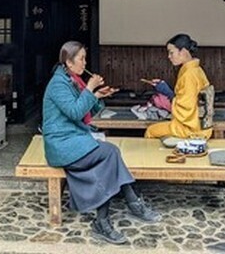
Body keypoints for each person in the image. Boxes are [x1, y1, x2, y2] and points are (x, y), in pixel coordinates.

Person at [42, 40, 161, 245]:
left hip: (74, 139)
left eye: (84, 58)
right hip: (61, 144)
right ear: (69, 63)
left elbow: (86, 108)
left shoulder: (71, 80)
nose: (84, 63)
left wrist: (97, 95)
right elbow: (75, 112)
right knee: (110, 153)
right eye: (81, 59)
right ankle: (129, 205)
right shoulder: (58, 84)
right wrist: (90, 88)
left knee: (107, 159)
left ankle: (105, 220)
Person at [143, 33, 213, 140]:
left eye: (171, 52)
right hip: (200, 124)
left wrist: (168, 93)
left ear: (183, 51)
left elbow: (186, 109)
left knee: (151, 131)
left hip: (191, 128)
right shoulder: (196, 70)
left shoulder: (189, 75)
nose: (169, 56)